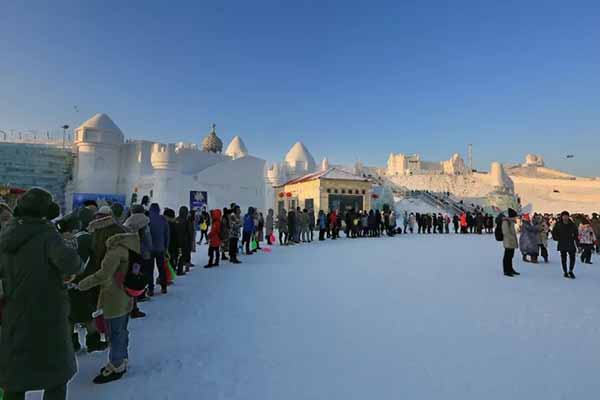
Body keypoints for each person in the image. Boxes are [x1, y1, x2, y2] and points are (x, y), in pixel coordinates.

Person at [0, 188, 83, 399]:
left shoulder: (6, 235)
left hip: (14, 312)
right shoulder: (48, 235)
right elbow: (72, 264)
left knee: (15, 377)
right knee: (55, 377)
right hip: (47, 314)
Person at [78, 228, 140, 384]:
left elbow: (103, 275)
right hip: (125, 295)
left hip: (114, 298)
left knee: (114, 333)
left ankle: (116, 365)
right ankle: (122, 359)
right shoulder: (128, 245)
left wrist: (81, 284)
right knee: (121, 330)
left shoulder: (114, 251)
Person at [148, 203, 170, 293]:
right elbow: (167, 235)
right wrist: (166, 247)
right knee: (161, 268)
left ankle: (150, 289)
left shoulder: (147, 219)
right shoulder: (163, 220)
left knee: (149, 269)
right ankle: (164, 287)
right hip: (160, 248)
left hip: (149, 249)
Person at [552, 211, 579, 279]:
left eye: (566, 216)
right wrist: (557, 238)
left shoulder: (572, 224)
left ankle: (571, 271)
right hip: (562, 243)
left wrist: (575, 238)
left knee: (572, 258)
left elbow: (576, 233)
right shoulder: (558, 224)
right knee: (563, 258)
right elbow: (554, 233)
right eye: (564, 216)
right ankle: (565, 272)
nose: (565, 217)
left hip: (570, 242)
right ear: (562, 217)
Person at [501, 208, 521, 277]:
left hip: (511, 241)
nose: (515, 218)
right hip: (508, 242)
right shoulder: (505, 222)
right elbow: (505, 232)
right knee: (507, 257)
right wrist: (512, 238)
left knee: (510, 256)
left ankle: (510, 269)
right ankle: (506, 270)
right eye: (514, 216)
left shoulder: (511, 222)